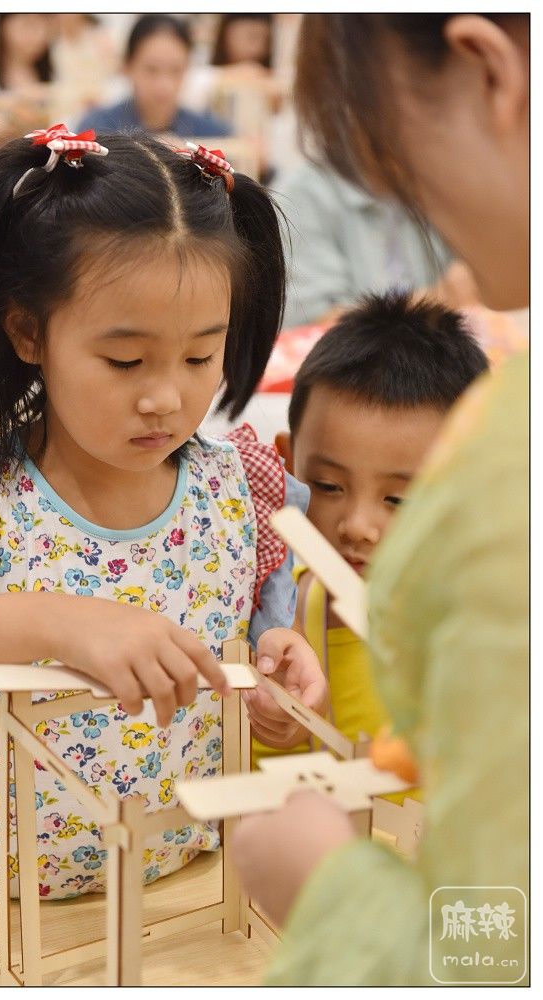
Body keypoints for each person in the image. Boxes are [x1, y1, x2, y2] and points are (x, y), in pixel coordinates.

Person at [0, 128, 326, 910]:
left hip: (176, 904)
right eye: (125, 361)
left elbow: (252, 659)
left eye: (200, 357)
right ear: (28, 332)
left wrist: (276, 694)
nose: (165, 397)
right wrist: (54, 621)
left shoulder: (240, 492)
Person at [232, 13, 529, 985]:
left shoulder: (502, 479)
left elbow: (490, 952)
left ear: (488, 71)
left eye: (398, 165)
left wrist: (326, 888)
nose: (413, 214)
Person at [248, 292, 488, 768]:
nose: (357, 526)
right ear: (288, 466)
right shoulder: (265, 617)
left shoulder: (479, 631)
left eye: (399, 499)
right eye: (328, 486)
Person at [275, 156, 481, 330]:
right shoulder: (301, 194)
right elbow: (318, 327)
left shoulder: (434, 179)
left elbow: (475, 282)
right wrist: (438, 298)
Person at [76, 15, 231, 143]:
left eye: (176, 70)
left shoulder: (214, 134)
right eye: (151, 69)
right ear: (127, 67)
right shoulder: (96, 131)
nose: (164, 85)